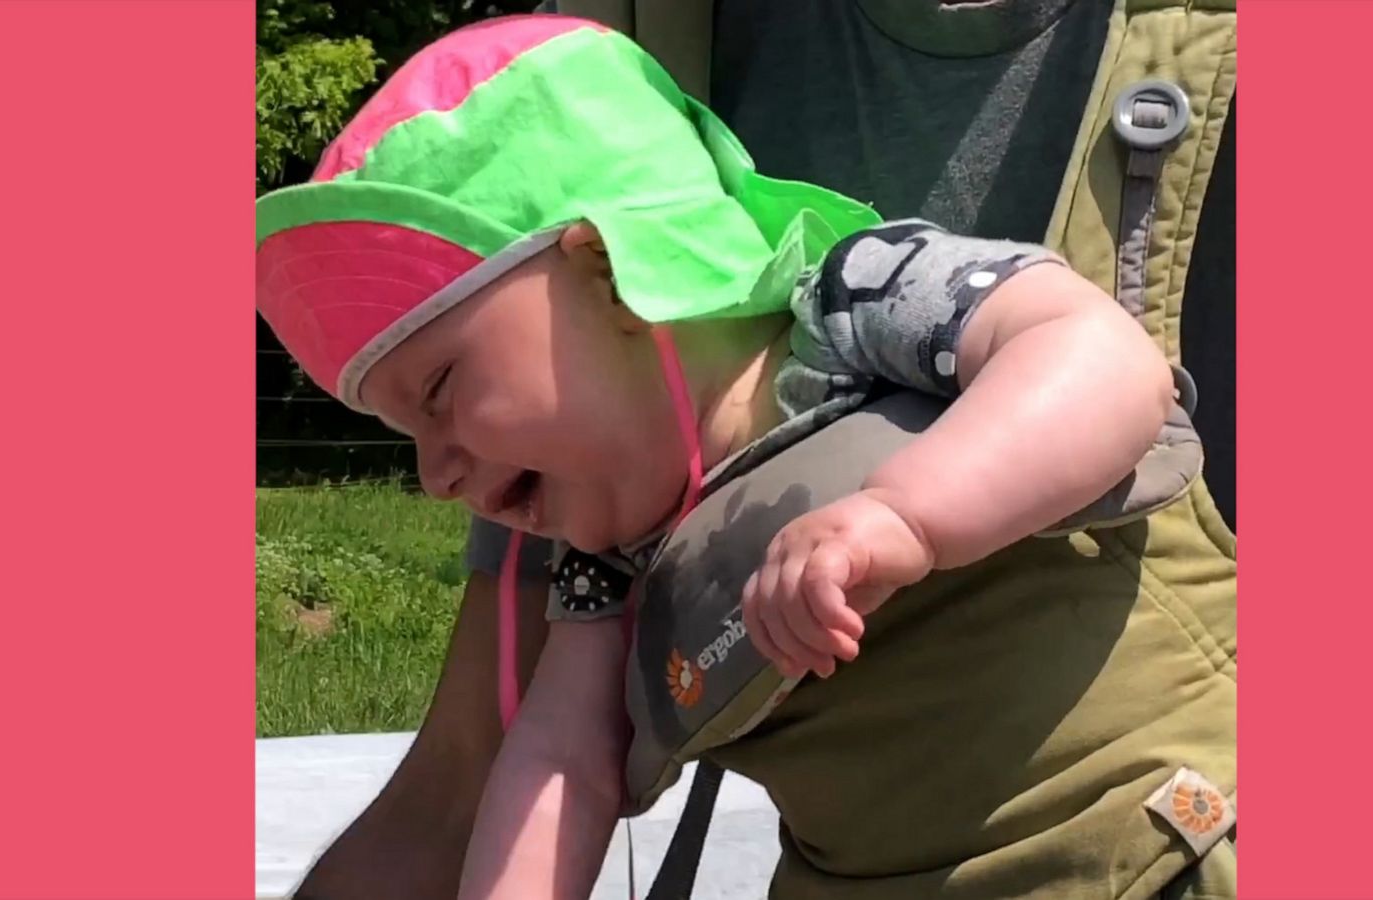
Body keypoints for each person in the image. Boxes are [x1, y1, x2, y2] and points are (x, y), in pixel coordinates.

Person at [265, 14, 1233, 900]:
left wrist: (907, 513)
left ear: (605, 268)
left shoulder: (856, 304)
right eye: (411, 441)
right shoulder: (612, 554)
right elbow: (563, 760)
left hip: (1147, 838)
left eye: (440, 394)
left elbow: (1100, 358)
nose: (436, 476)